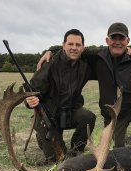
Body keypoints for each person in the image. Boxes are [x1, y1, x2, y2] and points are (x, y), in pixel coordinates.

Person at [38, 22, 131, 149]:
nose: (117, 42)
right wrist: (49, 51)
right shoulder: (97, 56)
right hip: (113, 115)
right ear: (107, 40)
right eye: (114, 38)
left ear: (128, 41)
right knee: (116, 153)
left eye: (121, 38)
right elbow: (74, 49)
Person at [26, 29, 96, 162]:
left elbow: (105, 52)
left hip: (70, 111)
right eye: (70, 44)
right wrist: (30, 101)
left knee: (88, 117)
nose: (74, 48)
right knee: (56, 159)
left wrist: (128, 50)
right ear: (63, 45)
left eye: (78, 45)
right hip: (48, 115)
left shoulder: (86, 64)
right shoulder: (50, 63)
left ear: (83, 48)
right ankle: (42, 138)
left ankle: (77, 149)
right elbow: (32, 90)